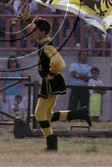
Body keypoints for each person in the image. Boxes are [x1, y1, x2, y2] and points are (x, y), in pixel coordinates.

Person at [21, 11, 91, 150]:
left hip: (51, 81)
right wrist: (28, 19)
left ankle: (51, 143)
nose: (32, 32)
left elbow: (60, 63)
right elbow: (33, 29)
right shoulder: (42, 40)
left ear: (42, 31)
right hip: (52, 81)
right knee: (48, 115)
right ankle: (79, 113)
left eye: (35, 30)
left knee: (39, 114)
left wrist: (49, 74)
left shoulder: (47, 46)